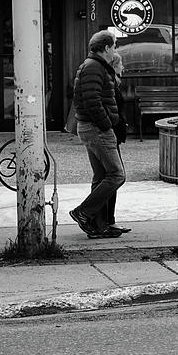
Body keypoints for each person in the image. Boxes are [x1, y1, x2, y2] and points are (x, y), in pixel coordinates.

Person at [69, 30, 126, 239]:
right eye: (114, 46)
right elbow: (92, 101)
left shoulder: (94, 66)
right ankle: (83, 212)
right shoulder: (94, 67)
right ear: (106, 48)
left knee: (101, 176)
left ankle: (98, 224)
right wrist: (107, 123)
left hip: (91, 128)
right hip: (97, 129)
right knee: (117, 175)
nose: (115, 50)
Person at [104, 52, 131, 233]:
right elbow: (106, 109)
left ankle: (108, 220)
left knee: (110, 177)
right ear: (114, 65)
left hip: (113, 134)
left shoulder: (114, 83)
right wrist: (112, 126)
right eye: (121, 64)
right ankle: (96, 216)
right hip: (109, 135)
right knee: (115, 176)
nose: (123, 68)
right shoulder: (110, 84)